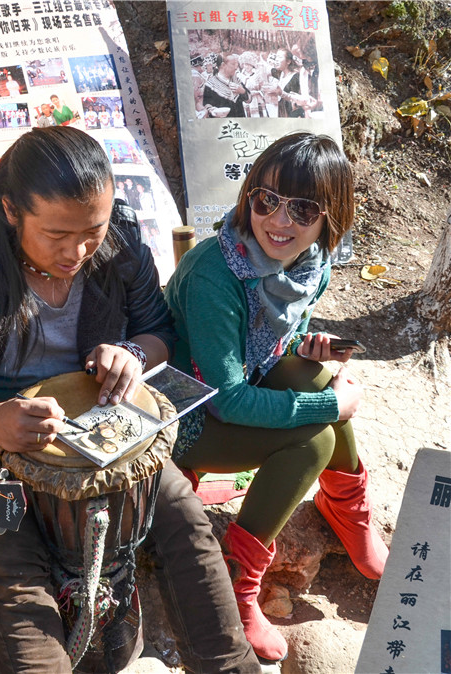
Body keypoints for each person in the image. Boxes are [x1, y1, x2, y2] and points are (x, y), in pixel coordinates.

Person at [0, 126, 259, 673]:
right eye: (56, 235)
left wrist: (131, 354)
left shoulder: (118, 233)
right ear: (10, 211)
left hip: (103, 424)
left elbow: (156, 329)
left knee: (185, 522)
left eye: (90, 233)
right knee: (15, 569)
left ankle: (230, 666)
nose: (76, 252)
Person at [164, 132, 389, 662]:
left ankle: (346, 511)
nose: (279, 221)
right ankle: (240, 586)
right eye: (266, 200)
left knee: (313, 378)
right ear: (248, 198)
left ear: (328, 219)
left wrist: (307, 346)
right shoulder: (216, 274)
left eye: (303, 209)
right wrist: (330, 407)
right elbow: (226, 399)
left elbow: (276, 338)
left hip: (242, 379)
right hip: (183, 413)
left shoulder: (310, 263)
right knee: (313, 437)